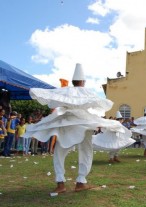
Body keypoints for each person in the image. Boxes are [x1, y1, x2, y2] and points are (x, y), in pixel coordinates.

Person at [24, 63, 128, 194]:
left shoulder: (66, 91)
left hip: (67, 123)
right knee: (85, 151)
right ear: (83, 82)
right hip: (83, 123)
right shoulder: (87, 93)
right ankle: (80, 181)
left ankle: (60, 183)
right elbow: (96, 105)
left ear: (73, 81)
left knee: (59, 152)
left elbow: (54, 97)